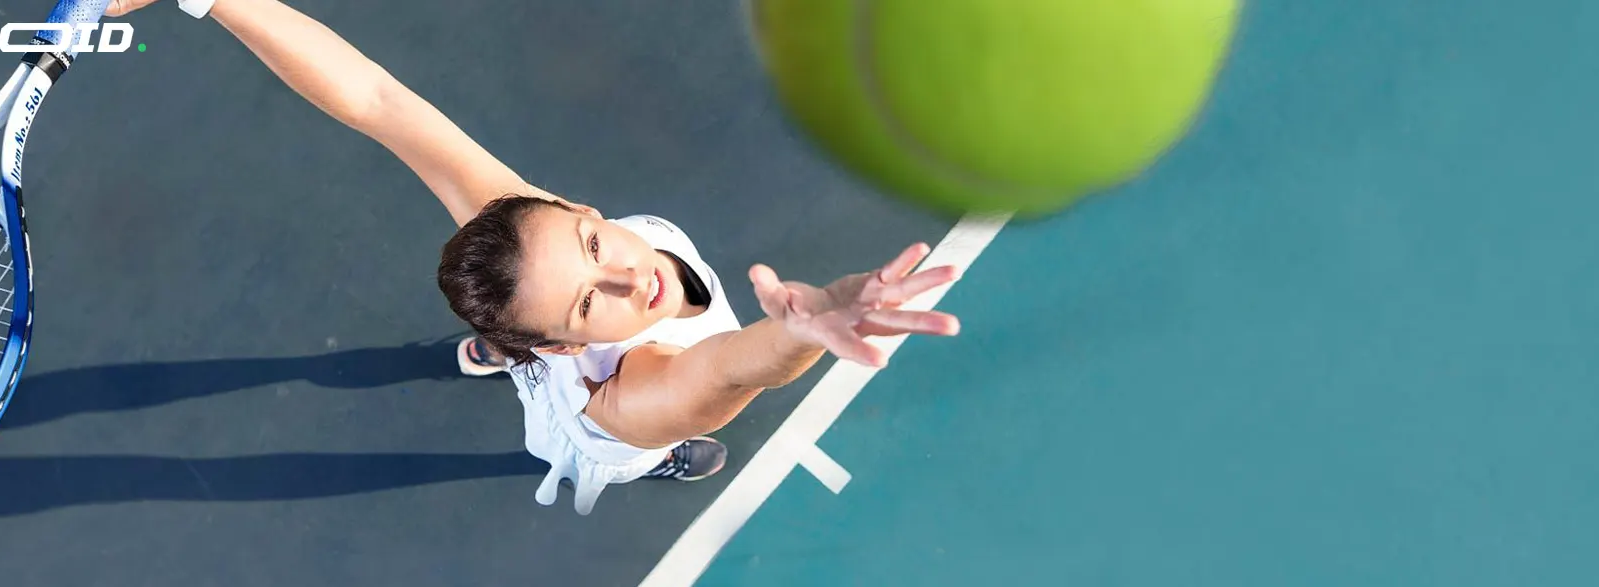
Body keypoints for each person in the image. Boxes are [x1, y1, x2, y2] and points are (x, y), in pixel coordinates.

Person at [104, 0, 963, 514]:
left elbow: (376, 99)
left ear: (576, 209)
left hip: (531, 333)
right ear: (566, 345)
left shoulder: (529, 231)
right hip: (591, 428)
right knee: (658, 433)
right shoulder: (633, 396)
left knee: (520, 294)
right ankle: (519, 365)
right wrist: (804, 332)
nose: (634, 277)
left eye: (596, 244)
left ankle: (491, 347)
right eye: (595, 303)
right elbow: (728, 373)